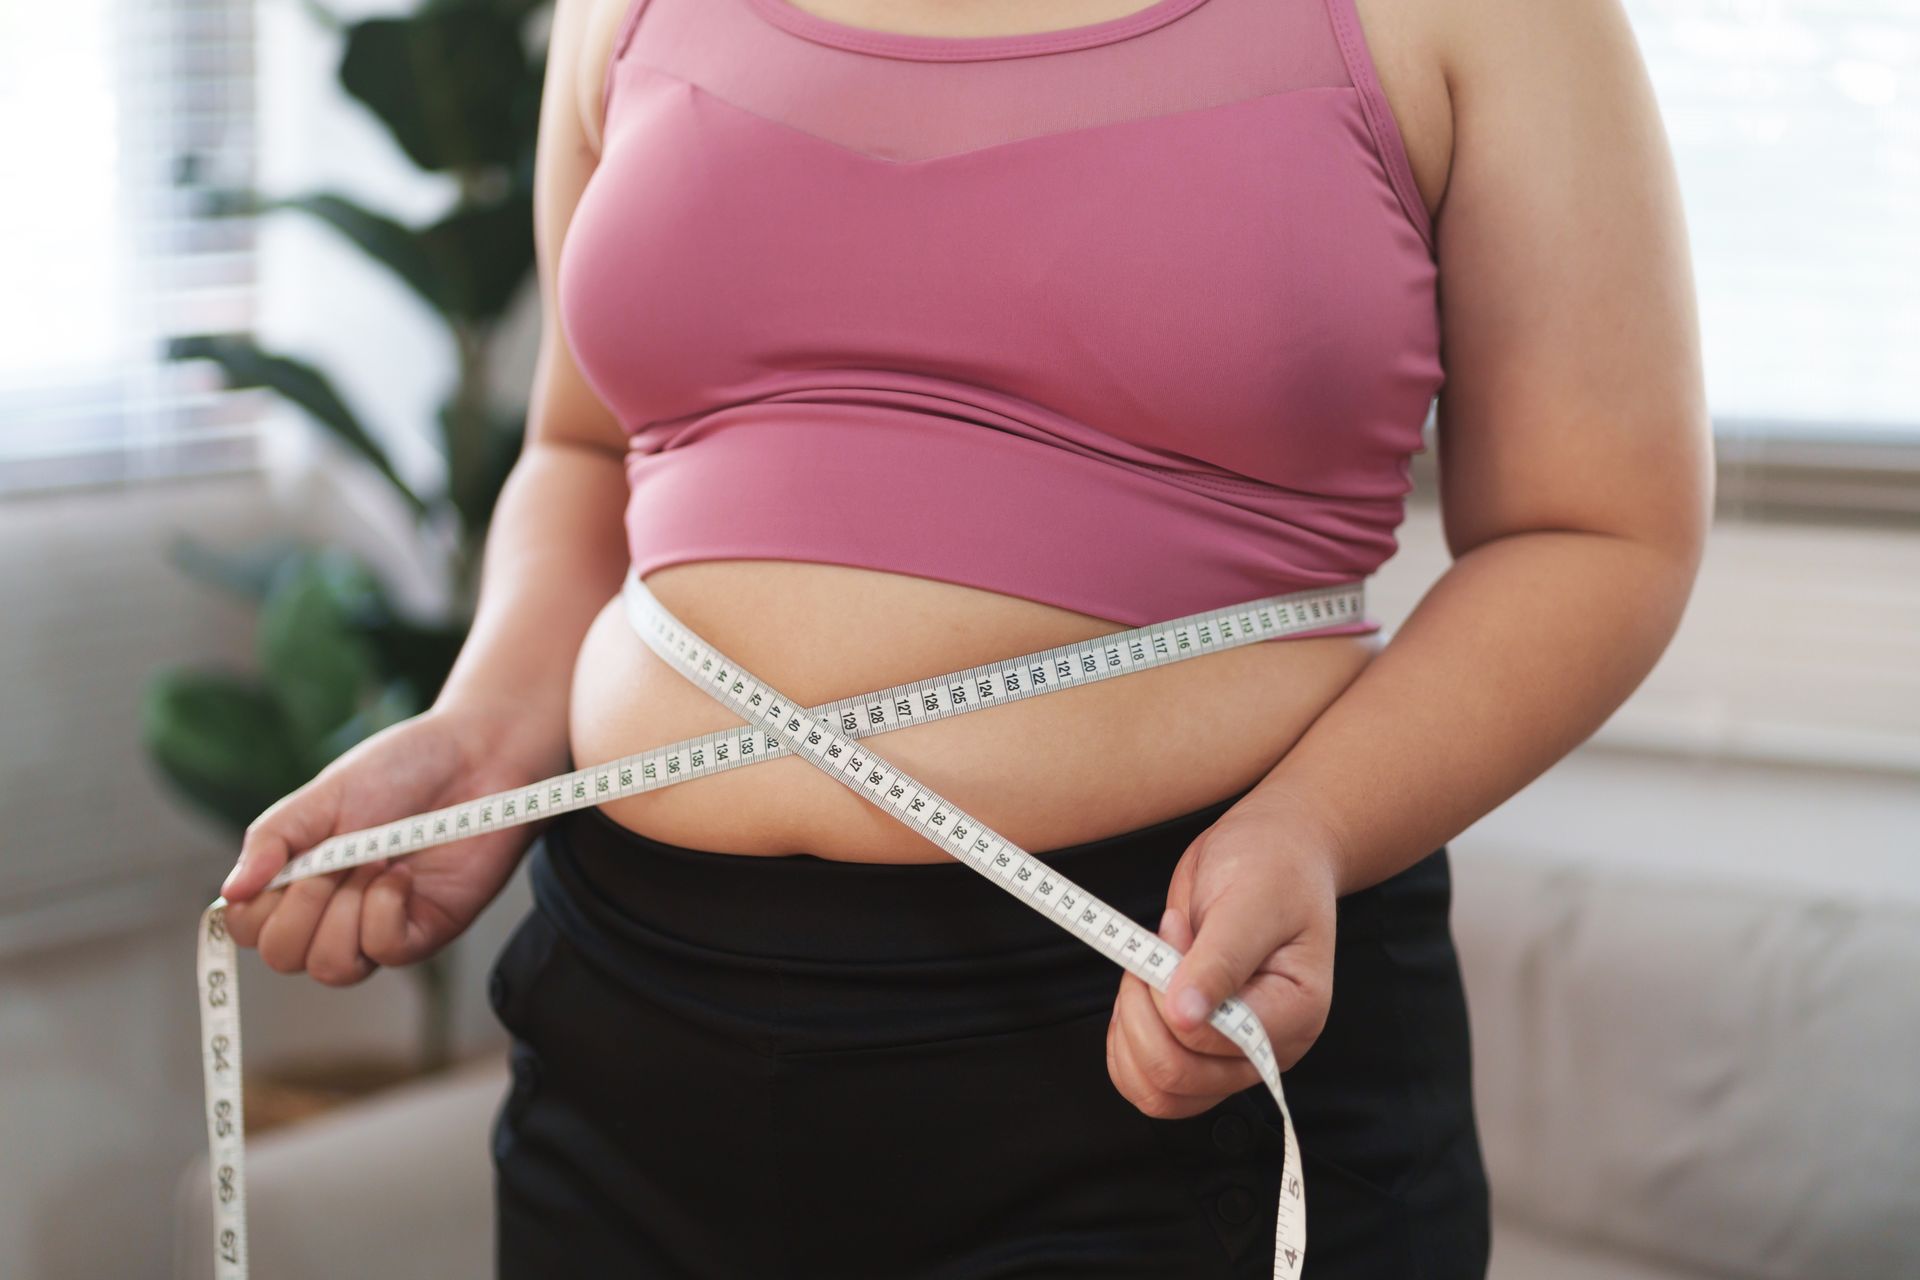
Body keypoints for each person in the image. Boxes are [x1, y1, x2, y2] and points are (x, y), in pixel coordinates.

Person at [216, 0, 1710, 1271]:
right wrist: (482, 735)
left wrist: (1314, 830)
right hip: (631, 1018)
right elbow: (590, 455)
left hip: (1164, 998)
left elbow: (1598, 530)